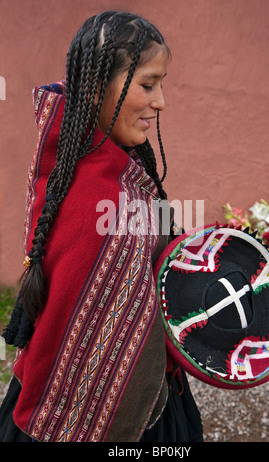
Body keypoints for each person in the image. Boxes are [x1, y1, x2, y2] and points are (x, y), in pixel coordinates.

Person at [0, 11, 203, 442]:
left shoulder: (93, 164)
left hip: (135, 391)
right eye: (148, 85)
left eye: (160, 84)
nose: (161, 101)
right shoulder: (95, 194)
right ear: (95, 89)